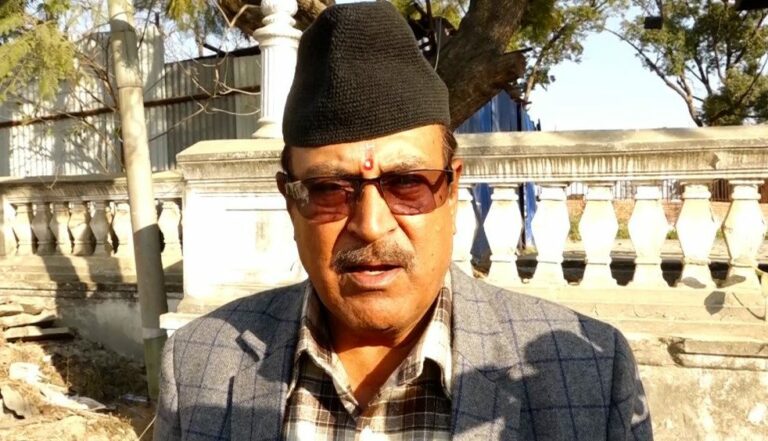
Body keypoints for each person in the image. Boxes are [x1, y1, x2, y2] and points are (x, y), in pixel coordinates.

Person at [154, 2, 652, 440]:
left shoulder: (590, 377)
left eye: (407, 183)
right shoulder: (199, 364)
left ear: (451, 190)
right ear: (291, 201)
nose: (371, 225)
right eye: (329, 189)